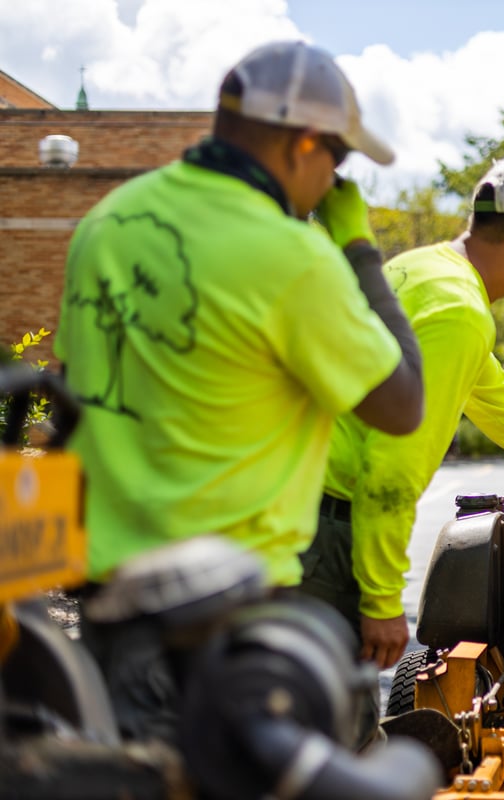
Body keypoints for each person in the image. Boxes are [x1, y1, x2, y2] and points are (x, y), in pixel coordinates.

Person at [55, 40, 424, 739]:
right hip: (226, 622)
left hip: (105, 605)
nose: (335, 180)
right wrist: (356, 247)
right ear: (303, 144)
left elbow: (77, 397)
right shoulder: (293, 256)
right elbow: (401, 403)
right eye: (338, 161)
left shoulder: (106, 221)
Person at [300, 154, 504, 670]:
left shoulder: (421, 268)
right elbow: (394, 467)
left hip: (295, 503)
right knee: (329, 722)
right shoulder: (459, 313)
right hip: (328, 537)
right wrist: (383, 599)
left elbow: (489, 388)